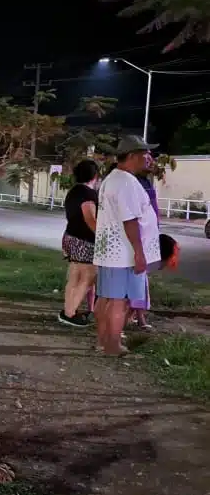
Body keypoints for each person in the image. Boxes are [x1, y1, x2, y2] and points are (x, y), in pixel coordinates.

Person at [93, 136, 162, 356]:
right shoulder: (126, 182)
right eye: (145, 154)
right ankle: (112, 345)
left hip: (111, 252)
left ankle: (103, 342)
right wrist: (139, 254)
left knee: (106, 298)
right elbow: (130, 220)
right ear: (132, 155)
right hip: (123, 254)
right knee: (118, 302)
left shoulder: (113, 178)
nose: (149, 158)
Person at [58, 159, 100, 327]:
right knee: (87, 278)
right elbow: (90, 218)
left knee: (75, 276)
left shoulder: (73, 191)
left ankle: (68, 310)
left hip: (71, 236)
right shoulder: (88, 194)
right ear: (95, 175)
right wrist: (102, 237)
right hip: (85, 241)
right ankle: (70, 313)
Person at [128, 162, 161, 331]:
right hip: (135, 241)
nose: (151, 163)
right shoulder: (132, 182)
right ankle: (133, 317)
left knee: (140, 280)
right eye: (146, 159)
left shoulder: (146, 182)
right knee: (135, 279)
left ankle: (136, 316)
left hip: (146, 239)